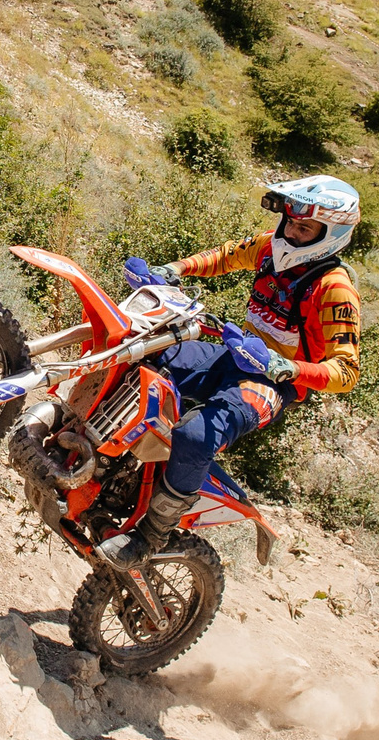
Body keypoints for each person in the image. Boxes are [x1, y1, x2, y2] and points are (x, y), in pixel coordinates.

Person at [97, 175, 363, 571]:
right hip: (233, 355)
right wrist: (174, 269)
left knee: (195, 435)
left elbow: (346, 371)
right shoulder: (269, 247)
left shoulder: (334, 289)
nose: (291, 232)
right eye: (290, 221)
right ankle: (103, 460)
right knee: (144, 353)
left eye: (304, 228)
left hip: (271, 383)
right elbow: (224, 257)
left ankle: (152, 535)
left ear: (331, 235)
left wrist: (283, 366)